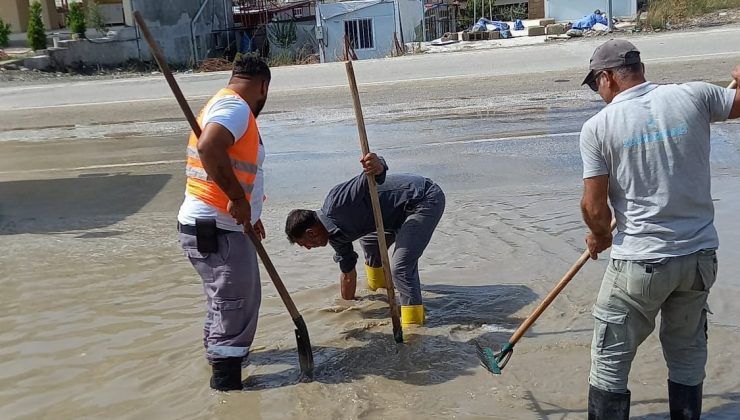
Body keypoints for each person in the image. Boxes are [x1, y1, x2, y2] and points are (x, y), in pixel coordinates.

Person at [579, 39, 740, 419]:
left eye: (594, 84)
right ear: (640, 69)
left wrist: (599, 235)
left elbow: (593, 206)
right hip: (698, 258)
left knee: (609, 360)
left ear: (607, 78)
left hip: (640, 261)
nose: (596, 92)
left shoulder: (598, 127)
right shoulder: (694, 95)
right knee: (687, 354)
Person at [176, 55, 271, 391]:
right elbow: (209, 147)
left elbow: (235, 166)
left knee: (226, 301)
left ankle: (223, 360)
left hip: (220, 224)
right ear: (263, 86)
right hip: (215, 227)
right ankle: (227, 389)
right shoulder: (237, 109)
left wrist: (251, 214)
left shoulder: (223, 103)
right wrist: (237, 199)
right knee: (235, 305)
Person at [284, 154, 445, 327]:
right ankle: (380, 290)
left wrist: (376, 165)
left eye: (305, 244)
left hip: (422, 198)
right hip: (390, 217)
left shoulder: (337, 202)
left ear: (311, 233)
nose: (308, 248)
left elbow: (371, 174)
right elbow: (347, 273)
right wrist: (346, 309)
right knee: (370, 244)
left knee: (400, 267)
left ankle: (413, 324)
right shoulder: (336, 239)